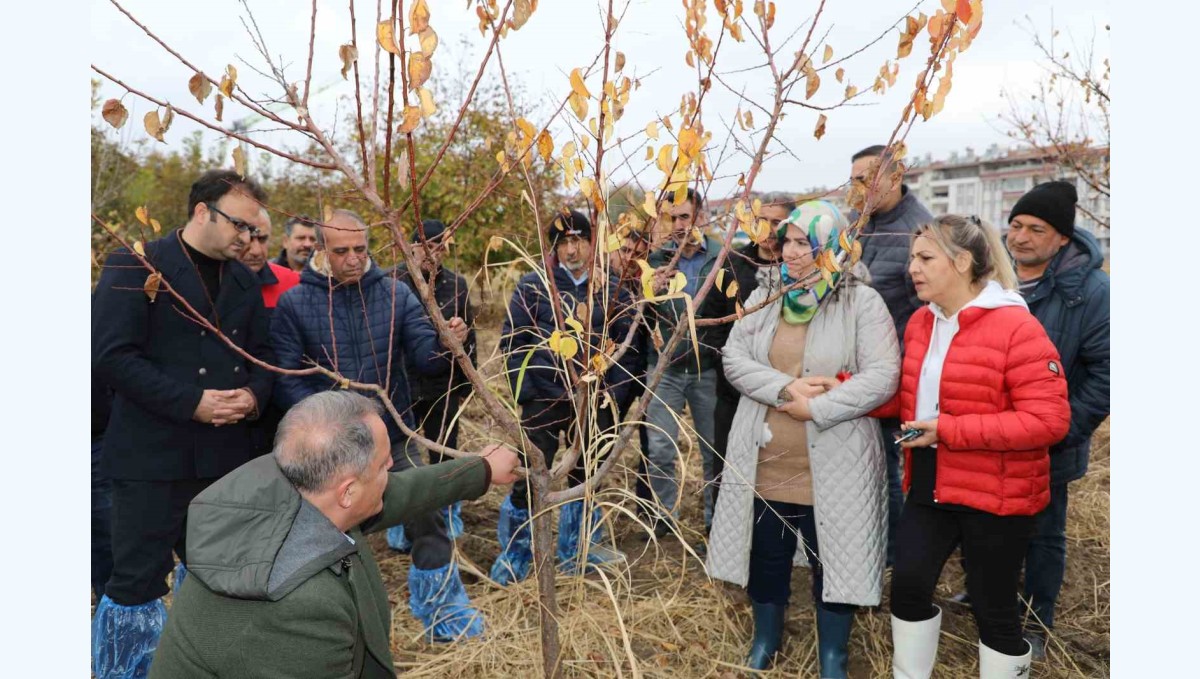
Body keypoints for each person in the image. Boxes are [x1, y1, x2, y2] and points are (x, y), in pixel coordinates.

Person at [147, 391, 521, 679]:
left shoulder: (286, 485)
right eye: (382, 465)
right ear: (347, 491)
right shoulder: (298, 608)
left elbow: (400, 494)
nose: (393, 467)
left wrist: (482, 470)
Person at [91, 169, 276, 679]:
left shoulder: (244, 277)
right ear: (202, 212)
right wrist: (190, 402)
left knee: (221, 578)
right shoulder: (136, 264)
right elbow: (111, 357)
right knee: (136, 583)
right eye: (240, 226)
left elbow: (263, 354)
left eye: (254, 232)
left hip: (224, 461)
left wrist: (253, 397)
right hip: (151, 459)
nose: (248, 240)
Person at [270, 209, 483, 641]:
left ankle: (442, 607)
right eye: (342, 251)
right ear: (322, 251)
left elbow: (425, 357)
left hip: (392, 432)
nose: (352, 259)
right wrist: (317, 435)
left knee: (427, 510)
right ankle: (322, 622)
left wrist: (448, 340)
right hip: (327, 445)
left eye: (360, 249)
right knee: (321, 530)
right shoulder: (297, 303)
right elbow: (287, 377)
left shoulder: (394, 294)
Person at [707, 201, 900, 676]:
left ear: (832, 247)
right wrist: (783, 387)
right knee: (767, 558)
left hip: (836, 465)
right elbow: (733, 358)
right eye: (786, 240)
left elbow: (882, 376)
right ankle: (766, 640)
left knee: (831, 560)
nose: (789, 251)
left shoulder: (860, 301)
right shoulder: (765, 295)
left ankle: (832, 653)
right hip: (766, 461)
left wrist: (817, 407)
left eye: (802, 242)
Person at [876, 214, 1071, 678]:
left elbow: (1049, 421)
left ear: (962, 262)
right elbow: (911, 394)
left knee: (993, 606)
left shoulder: (1015, 328)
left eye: (925, 258)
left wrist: (950, 430)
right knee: (907, 586)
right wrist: (843, 392)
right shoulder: (922, 323)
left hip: (997, 491)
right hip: (929, 478)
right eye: (912, 259)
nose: (912, 269)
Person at [492, 209, 637, 584]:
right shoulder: (534, 285)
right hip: (543, 399)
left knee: (587, 476)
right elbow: (513, 340)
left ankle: (577, 551)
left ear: (592, 243)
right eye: (563, 242)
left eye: (579, 240)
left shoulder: (612, 287)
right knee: (530, 475)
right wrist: (527, 391)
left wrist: (612, 395)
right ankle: (518, 555)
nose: (571, 250)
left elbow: (626, 347)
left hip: (594, 400)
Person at [1005, 181, 1110, 659]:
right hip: (993, 434)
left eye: (1035, 229)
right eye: (1016, 225)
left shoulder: (1091, 291)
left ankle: (1036, 619)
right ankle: (995, 595)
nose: (1021, 237)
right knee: (990, 520)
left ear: (1063, 238)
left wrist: (1063, 429)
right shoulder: (996, 277)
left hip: (1052, 441)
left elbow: (1108, 372)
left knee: (1045, 531)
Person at [850, 144, 935, 566]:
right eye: (854, 182)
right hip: (852, 371)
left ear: (896, 176)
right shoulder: (855, 225)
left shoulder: (919, 232)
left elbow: (925, 312)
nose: (858, 190)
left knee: (889, 471)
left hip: (895, 376)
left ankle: (893, 557)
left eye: (866, 180)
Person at [642, 188, 737, 535]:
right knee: (661, 448)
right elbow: (643, 316)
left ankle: (715, 521)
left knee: (713, 449)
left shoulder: (722, 258)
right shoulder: (656, 261)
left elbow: (731, 315)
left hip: (706, 371)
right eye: (673, 218)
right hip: (664, 369)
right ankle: (664, 515)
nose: (680, 225)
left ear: (701, 216)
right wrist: (650, 292)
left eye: (686, 216)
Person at [388, 218, 478, 544]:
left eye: (438, 246)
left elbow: (470, 337)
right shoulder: (392, 281)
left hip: (444, 386)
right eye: (424, 245)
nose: (430, 253)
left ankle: (445, 516)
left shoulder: (456, 285)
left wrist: (468, 382)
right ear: (411, 246)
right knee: (403, 458)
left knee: (444, 453)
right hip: (401, 387)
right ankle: (401, 519)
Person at [712, 198, 792, 513]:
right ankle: (722, 531)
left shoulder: (798, 268)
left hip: (784, 392)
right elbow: (713, 325)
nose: (768, 230)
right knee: (726, 465)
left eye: (777, 222)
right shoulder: (731, 264)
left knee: (775, 469)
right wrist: (731, 372)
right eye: (762, 220)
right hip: (733, 391)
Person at [238, 208, 300, 455]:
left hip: (281, 418)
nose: (255, 250)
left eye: (262, 239)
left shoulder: (291, 283)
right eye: (247, 239)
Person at [607, 227, 655, 520]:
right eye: (625, 251)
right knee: (603, 437)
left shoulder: (652, 286)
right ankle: (592, 502)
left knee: (653, 439)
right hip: (613, 375)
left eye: (639, 255)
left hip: (647, 371)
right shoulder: (601, 287)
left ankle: (646, 506)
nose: (630, 260)